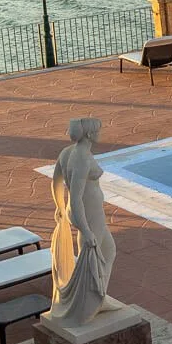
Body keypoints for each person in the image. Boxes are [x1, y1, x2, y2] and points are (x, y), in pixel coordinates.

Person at [47, 117, 117, 327]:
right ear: (89, 134)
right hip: (88, 215)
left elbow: (56, 182)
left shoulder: (67, 152)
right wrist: (86, 230)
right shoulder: (82, 159)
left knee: (106, 253)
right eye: (99, 130)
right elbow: (76, 197)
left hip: (83, 213)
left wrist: (60, 207)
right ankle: (90, 303)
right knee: (92, 258)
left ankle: (98, 296)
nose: (101, 133)